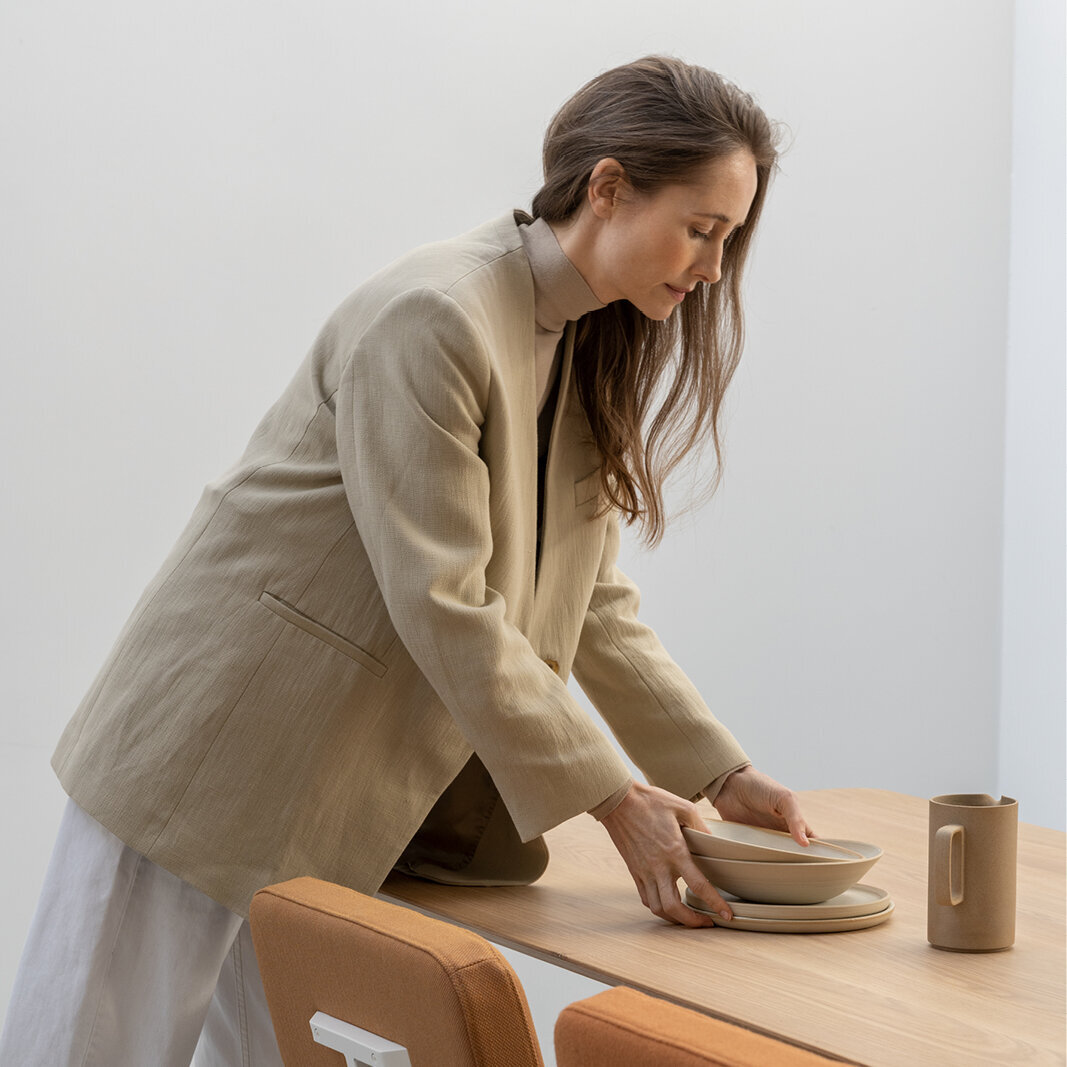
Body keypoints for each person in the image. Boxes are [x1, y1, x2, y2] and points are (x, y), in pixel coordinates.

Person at [0, 55, 813, 1067]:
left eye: (727, 241)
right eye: (701, 228)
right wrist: (614, 797)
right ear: (606, 187)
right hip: (209, 753)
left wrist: (717, 770)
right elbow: (445, 601)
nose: (710, 268)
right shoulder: (434, 314)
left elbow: (590, 600)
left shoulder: (574, 341)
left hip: (328, 797)